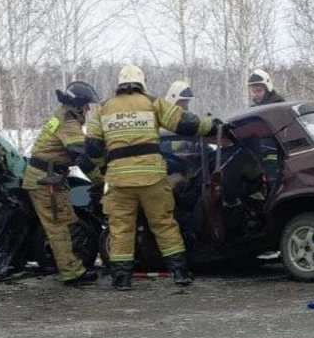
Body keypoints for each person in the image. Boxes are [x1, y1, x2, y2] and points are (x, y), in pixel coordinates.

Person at [87, 65, 229, 291]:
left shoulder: (103, 108)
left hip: (120, 182)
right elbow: (186, 124)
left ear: (120, 83)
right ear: (142, 82)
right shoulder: (152, 102)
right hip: (151, 178)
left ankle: (122, 278)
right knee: (163, 224)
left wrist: (107, 163)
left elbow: (92, 147)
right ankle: (180, 273)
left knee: (121, 229)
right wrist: (212, 125)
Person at [23, 81, 105, 286]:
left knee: (67, 221)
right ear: (77, 104)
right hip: (45, 181)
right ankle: (71, 273)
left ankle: (72, 265)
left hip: (50, 178)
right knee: (58, 226)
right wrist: (98, 179)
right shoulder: (68, 122)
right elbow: (79, 155)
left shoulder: (64, 117)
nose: (88, 109)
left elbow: (83, 148)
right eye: (86, 104)